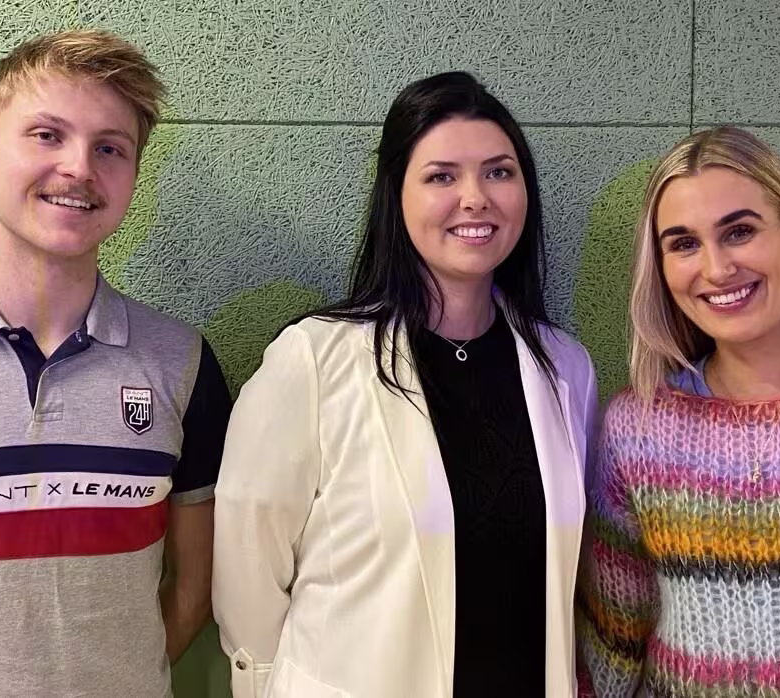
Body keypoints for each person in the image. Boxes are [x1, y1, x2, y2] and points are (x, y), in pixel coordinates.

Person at [212, 71, 598, 697]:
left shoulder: (564, 368)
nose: (475, 197)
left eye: (499, 172)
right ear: (397, 195)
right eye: (442, 176)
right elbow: (247, 580)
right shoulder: (313, 360)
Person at [0, 30, 232, 696]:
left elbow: (193, 588)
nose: (79, 167)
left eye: (110, 148)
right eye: (47, 135)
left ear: (134, 174)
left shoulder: (180, 362)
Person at [577, 126, 780, 696]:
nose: (716, 268)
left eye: (739, 231)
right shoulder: (639, 427)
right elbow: (614, 638)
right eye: (683, 243)